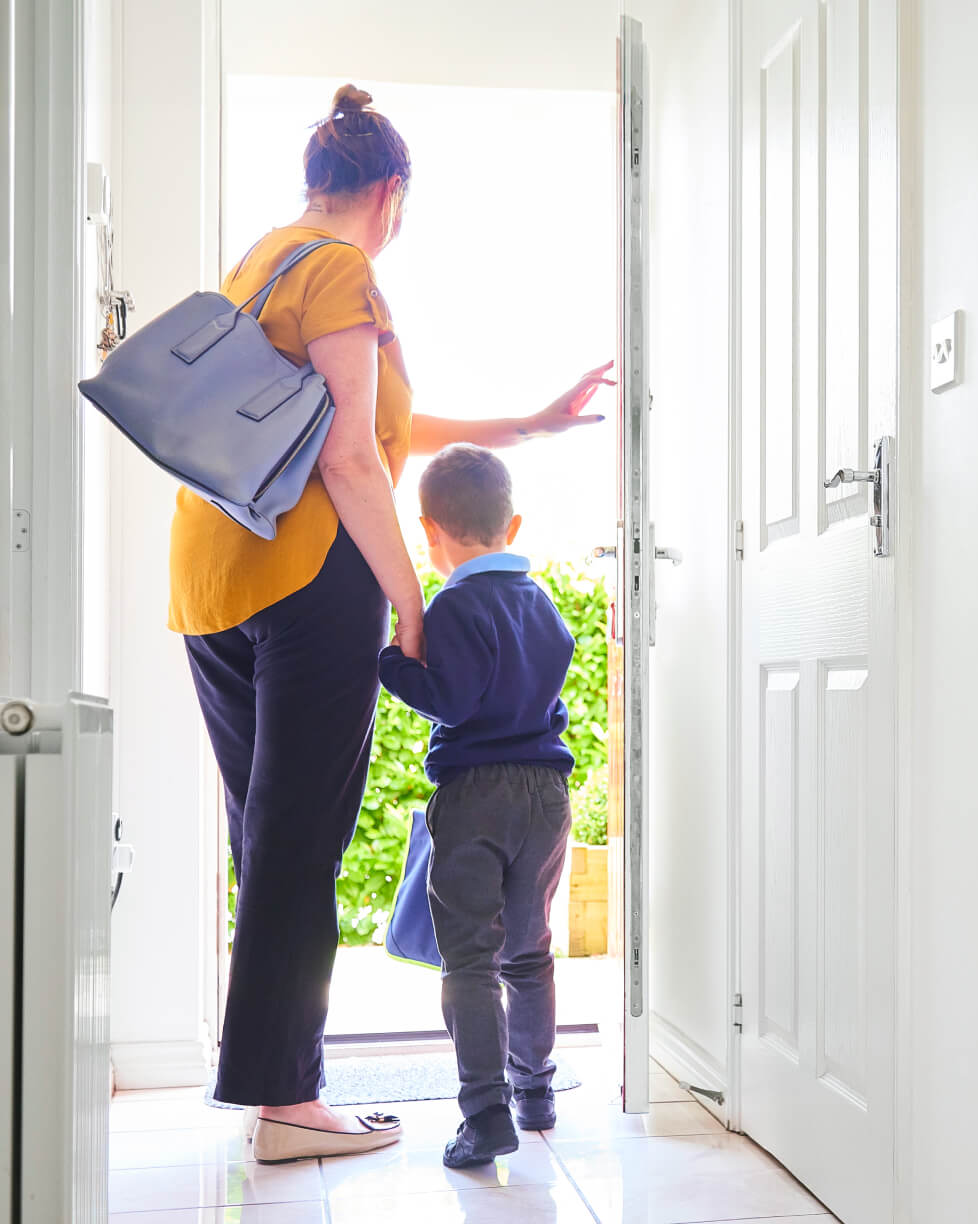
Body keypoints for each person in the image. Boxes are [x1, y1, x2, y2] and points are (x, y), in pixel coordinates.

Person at [168, 83, 609, 1165]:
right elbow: (354, 456)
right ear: (391, 193)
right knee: (299, 841)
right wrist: (415, 601)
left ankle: (279, 1090)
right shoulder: (347, 271)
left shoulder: (260, 265)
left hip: (213, 576)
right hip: (307, 579)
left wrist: (527, 423)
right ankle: (285, 1102)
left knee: (264, 839)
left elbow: (358, 417)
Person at [378, 444, 575, 1168]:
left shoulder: (454, 603)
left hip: (476, 795)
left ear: (430, 531)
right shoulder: (542, 601)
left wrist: (392, 663)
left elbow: (452, 701)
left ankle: (486, 1112)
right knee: (529, 950)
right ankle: (538, 1092)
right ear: (511, 525)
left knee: (469, 959)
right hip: (547, 795)